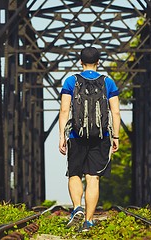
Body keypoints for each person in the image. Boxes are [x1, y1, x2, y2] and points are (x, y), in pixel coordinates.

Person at [58, 46, 120, 232]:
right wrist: (115, 136)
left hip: (76, 135)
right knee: (93, 177)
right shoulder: (108, 82)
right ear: (98, 62)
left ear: (80, 62)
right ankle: (88, 221)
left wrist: (62, 135)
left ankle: (77, 207)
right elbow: (115, 112)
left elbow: (64, 110)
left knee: (74, 173)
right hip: (101, 136)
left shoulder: (71, 81)